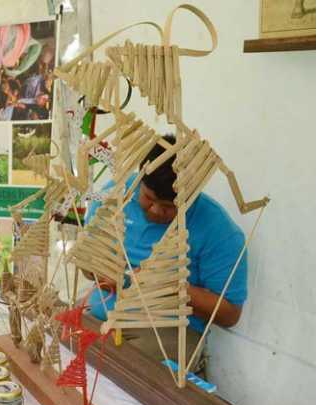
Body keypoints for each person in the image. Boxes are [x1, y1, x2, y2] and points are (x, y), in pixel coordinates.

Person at [84, 134, 248, 372]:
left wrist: (169, 286)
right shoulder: (114, 195)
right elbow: (89, 259)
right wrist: (98, 268)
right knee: (58, 344)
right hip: (101, 312)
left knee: (127, 376)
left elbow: (230, 314)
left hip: (168, 328)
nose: (156, 210)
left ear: (191, 196)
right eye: (148, 198)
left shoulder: (219, 231)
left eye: (170, 207)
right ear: (140, 178)